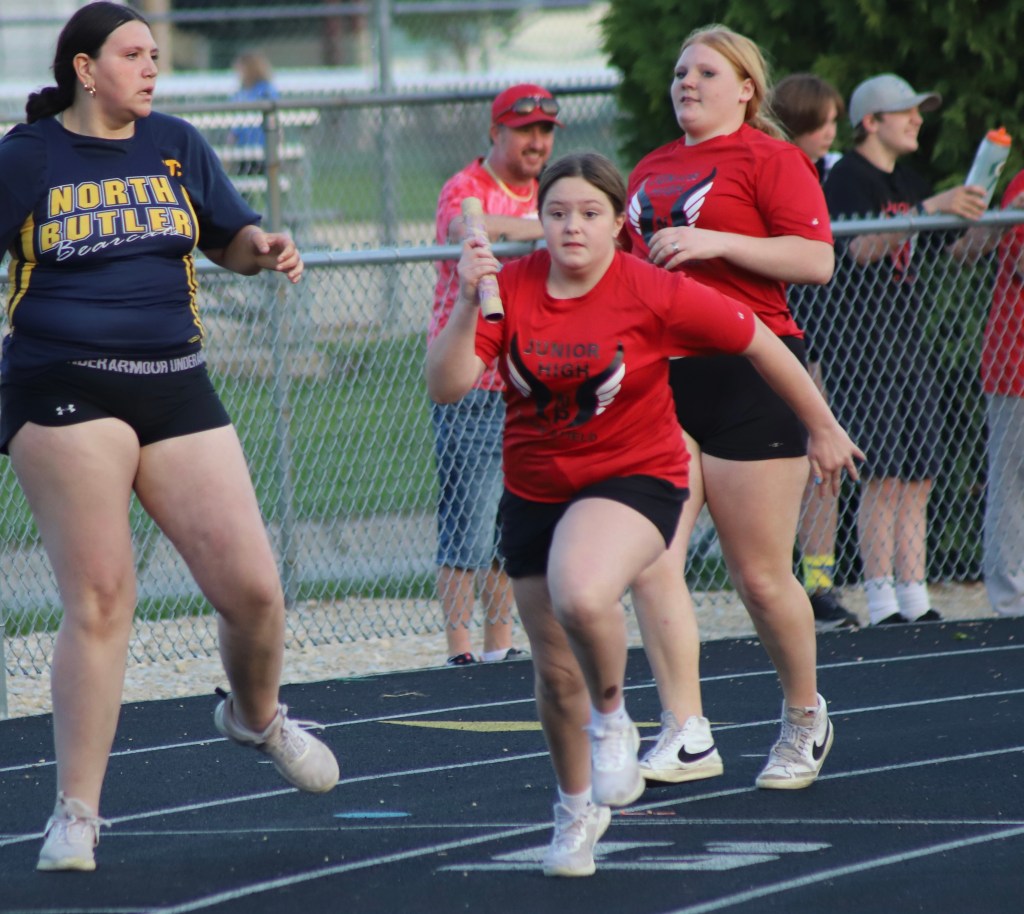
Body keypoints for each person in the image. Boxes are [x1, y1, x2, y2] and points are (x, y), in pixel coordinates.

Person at [425, 151, 862, 877]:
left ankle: (613, 718)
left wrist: (821, 424)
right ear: (540, 221)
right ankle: (575, 811)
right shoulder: (513, 289)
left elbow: (759, 338)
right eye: (556, 213)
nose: (572, 226)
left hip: (634, 476)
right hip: (536, 487)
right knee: (553, 671)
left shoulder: (652, 289)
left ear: (615, 224)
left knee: (581, 590)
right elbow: (447, 385)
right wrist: (469, 302)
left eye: (589, 213)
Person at [0, 3, 339, 873]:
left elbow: (229, 239)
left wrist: (264, 246)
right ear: (85, 69)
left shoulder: (176, 143)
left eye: (156, 54)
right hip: (64, 387)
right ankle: (77, 813)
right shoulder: (27, 156)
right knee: (102, 597)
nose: (152, 67)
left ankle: (256, 719)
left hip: (177, 383)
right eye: (133, 54)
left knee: (255, 594)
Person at [622, 25, 849, 792]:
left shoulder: (772, 158)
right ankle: (686, 728)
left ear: (747, 88)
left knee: (759, 578)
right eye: (680, 71)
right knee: (651, 556)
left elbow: (815, 260)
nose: (686, 82)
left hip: (753, 371)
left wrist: (714, 242)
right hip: (661, 378)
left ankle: (805, 715)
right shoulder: (651, 168)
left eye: (706, 72)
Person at [822, 73, 987, 625]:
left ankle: (914, 596)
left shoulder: (909, 181)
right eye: (905, 111)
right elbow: (863, 248)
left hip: (908, 348)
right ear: (871, 122)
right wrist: (930, 205)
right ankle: (881, 598)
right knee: (884, 476)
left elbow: (960, 251)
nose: (917, 120)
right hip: (862, 353)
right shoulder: (848, 177)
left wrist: (987, 212)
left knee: (919, 475)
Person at [429, 83, 562, 665]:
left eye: (545, 130)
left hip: (531, 384)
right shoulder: (467, 187)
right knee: (469, 525)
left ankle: (499, 647)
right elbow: (470, 229)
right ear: (495, 133)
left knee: (516, 527)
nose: (537, 141)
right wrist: (547, 226)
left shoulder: (549, 191)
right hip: (473, 384)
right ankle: (460, 653)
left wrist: (544, 221)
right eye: (524, 130)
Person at [771, 73, 860, 631]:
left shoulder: (836, 174)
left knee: (821, 457)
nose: (831, 133)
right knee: (782, 462)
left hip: (826, 336)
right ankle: (773, 577)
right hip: (774, 334)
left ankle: (817, 581)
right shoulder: (769, 168)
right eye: (822, 123)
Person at [951, 168, 1024, 617]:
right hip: (1015, 359)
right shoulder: (1020, 183)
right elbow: (1012, 263)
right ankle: (1012, 599)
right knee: (1012, 481)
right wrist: (1008, 215)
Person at [227, 49, 279, 173]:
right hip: (243, 148)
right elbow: (235, 128)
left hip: (264, 147)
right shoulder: (240, 93)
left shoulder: (265, 90)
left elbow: (274, 120)